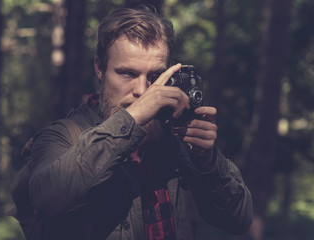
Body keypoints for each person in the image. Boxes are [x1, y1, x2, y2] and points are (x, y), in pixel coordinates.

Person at [24, 5, 253, 240]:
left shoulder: (175, 139)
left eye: (154, 77)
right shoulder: (62, 135)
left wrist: (208, 162)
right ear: (100, 68)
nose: (143, 90)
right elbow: (47, 199)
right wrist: (133, 117)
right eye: (128, 74)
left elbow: (239, 219)